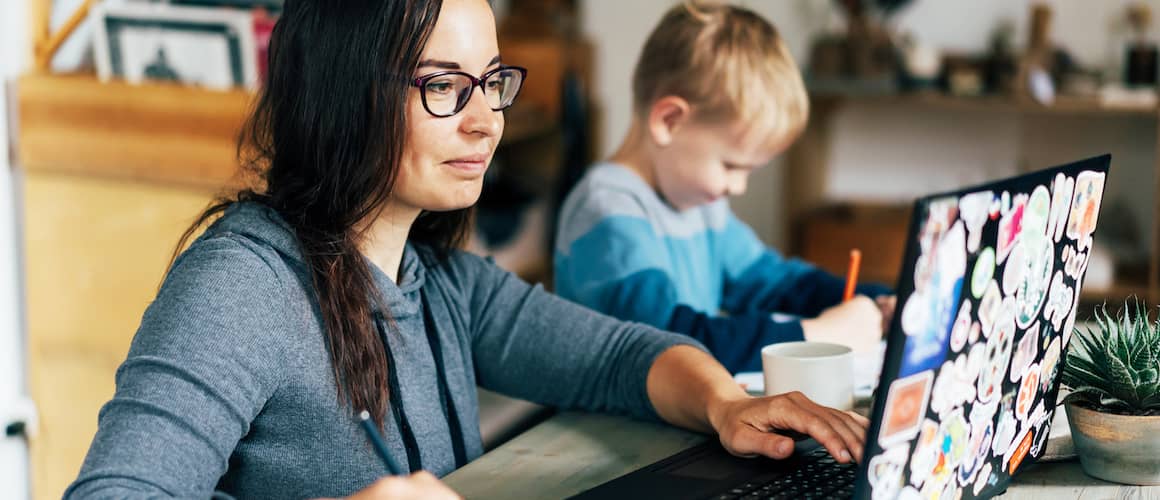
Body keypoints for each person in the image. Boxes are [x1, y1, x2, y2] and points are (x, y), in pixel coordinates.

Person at [65, 0, 869, 498]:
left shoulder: (440, 280)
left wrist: (727, 405)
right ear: (348, 95)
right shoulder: (240, 285)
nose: (487, 120)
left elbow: (618, 357)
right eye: (444, 86)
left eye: (491, 82)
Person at [554, 1, 896, 374]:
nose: (739, 186)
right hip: (602, 426)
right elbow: (671, 342)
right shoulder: (607, 212)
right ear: (669, 121)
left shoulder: (698, 204)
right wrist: (813, 335)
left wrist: (876, 301)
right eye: (731, 165)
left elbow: (775, 283)